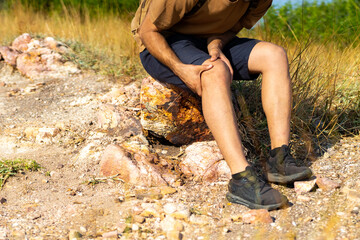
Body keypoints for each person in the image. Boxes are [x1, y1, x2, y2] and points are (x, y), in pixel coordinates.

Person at [131, 0, 312, 210]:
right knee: (215, 71)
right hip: (163, 42)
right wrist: (181, 70)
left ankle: (279, 158)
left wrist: (216, 43)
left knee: (274, 55)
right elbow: (147, 31)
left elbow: (234, 26)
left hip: (207, 41)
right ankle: (242, 179)